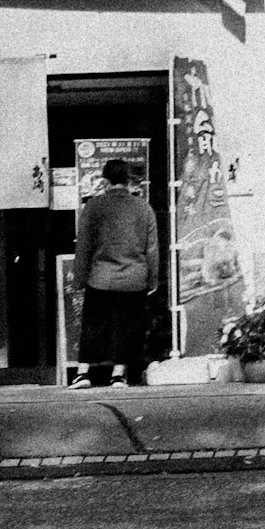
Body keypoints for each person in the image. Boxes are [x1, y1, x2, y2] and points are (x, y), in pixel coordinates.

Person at [75, 154, 159, 386]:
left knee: (93, 324)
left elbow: (83, 245)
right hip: (133, 278)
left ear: (105, 179)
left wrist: (80, 278)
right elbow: (151, 249)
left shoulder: (94, 207)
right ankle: (118, 375)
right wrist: (152, 280)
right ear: (128, 179)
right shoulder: (144, 209)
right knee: (127, 327)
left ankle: (83, 373)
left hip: (101, 277)